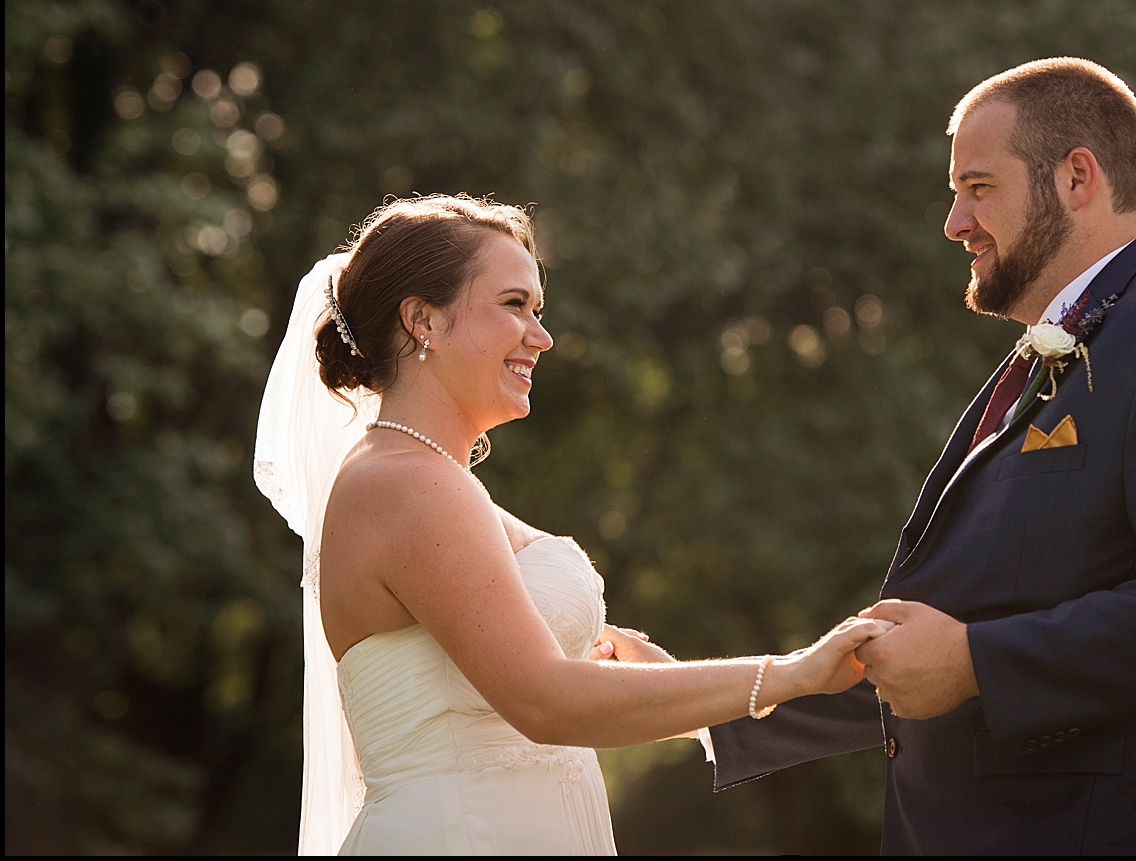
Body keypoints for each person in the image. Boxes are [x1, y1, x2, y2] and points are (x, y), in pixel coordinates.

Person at [706, 58, 1136, 854]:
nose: (954, 220)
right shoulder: (1048, 355)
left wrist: (976, 660)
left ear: (1076, 177)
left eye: (978, 187)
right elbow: (957, 631)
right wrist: (705, 702)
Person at [253, 195, 890, 855]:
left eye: (538, 309)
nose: (541, 335)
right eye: (512, 305)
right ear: (423, 321)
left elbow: (512, 655)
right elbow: (542, 698)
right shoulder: (406, 483)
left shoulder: (426, 477)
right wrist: (788, 672)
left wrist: (637, 665)